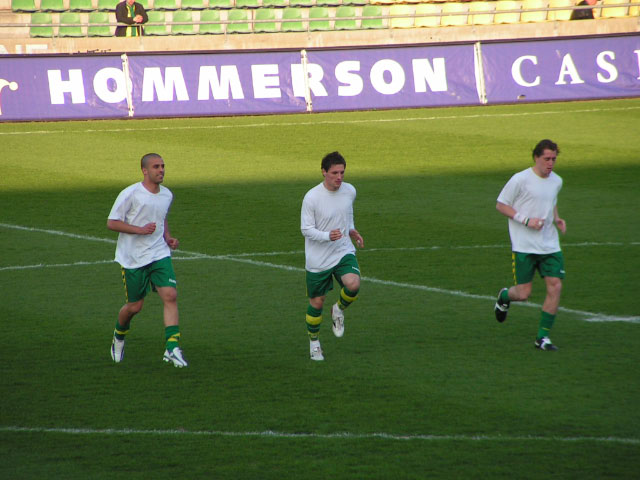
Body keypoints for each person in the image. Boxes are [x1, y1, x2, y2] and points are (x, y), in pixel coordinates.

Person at [107, 153, 187, 367]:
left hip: (159, 253)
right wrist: (139, 230)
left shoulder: (166, 195)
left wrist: (167, 237)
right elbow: (112, 222)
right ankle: (119, 335)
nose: (161, 170)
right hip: (133, 258)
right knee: (134, 307)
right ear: (144, 170)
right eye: (156, 166)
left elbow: (161, 218)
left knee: (170, 295)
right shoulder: (131, 194)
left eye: (162, 166)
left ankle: (172, 348)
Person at [494, 139, 567, 351]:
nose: (551, 163)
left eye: (554, 159)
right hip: (525, 245)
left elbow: (550, 200)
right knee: (524, 293)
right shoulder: (520, 180)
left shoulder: (557, 181)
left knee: (556, 285)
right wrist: (526, 221)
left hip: (549, 244)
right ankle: (504, 296)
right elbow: (501, 205)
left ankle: (542, 338)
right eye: (547, 159)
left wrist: (556, 217)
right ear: (536, 157)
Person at [301, 152, 364, 361]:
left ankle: (338, 309)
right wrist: (327, 236)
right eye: (335, 173)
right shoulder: (312, 198)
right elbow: (306, 229)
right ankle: (314, 343)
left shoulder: (349, 191)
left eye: (342, 172)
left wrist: (352, 229)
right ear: (324, 172)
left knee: (353, 284)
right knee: (317, 302)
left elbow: (347, 212)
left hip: (342, 250)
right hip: (318, 258)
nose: (339, 177)